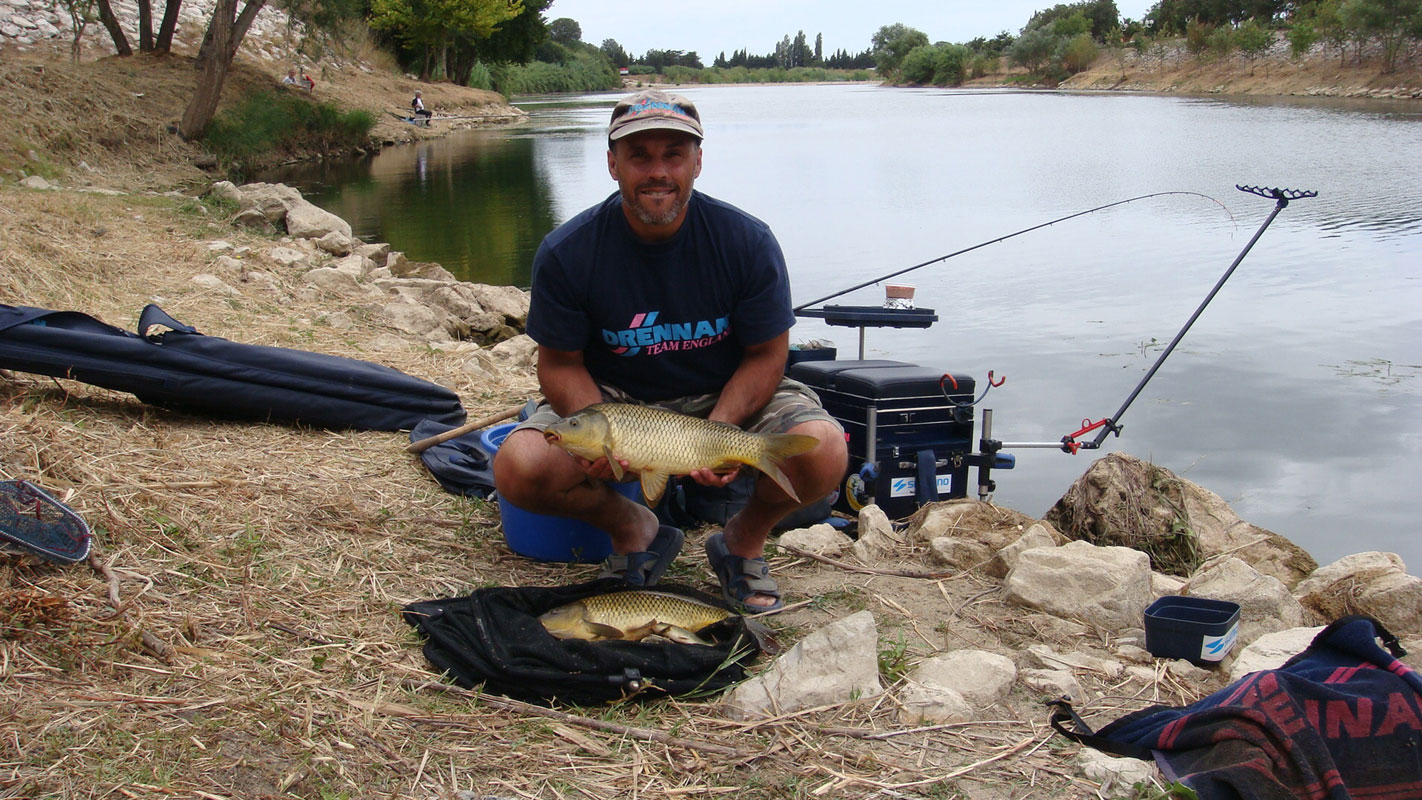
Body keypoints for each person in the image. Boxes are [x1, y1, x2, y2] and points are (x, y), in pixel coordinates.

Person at [491, 89, 848, 613]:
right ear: (613, 164)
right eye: (639, 156)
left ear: (697, 162)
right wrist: (602, 440)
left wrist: (721, 434)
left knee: (825, 448)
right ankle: (633, 527)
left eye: (673, 155)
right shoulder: (568, 252)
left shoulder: (746, 241)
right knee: (519, 464)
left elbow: (767, 356)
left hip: (727, 394)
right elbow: (560, 365)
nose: (657, 171)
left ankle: (741, 543)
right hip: (617, 397)